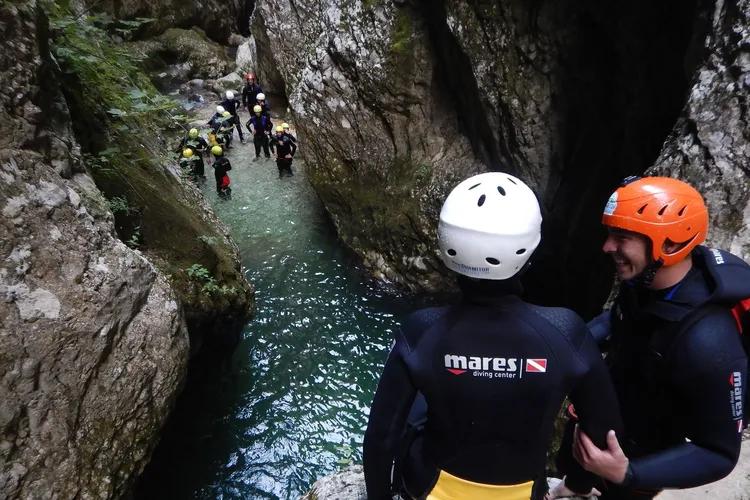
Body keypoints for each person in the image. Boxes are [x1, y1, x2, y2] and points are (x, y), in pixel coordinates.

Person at [363, 172, 623, 500]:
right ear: (529, 250)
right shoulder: (566, 331)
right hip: (525, 492)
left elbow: (381, 437)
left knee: (419, 392)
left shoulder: (422, 330)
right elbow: (604, 429)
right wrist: (578, 484)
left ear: (447, 247)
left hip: (430, 487)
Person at [549, 176, 749, 499]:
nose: (606, 247)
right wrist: (562, 345)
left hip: (646, 450)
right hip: (619, 407)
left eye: (622, 237)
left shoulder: (709, 343)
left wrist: (627, 473)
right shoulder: (645, 281)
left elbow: (720, 453)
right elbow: (617, 321)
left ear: (669, 245)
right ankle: (574, 488)